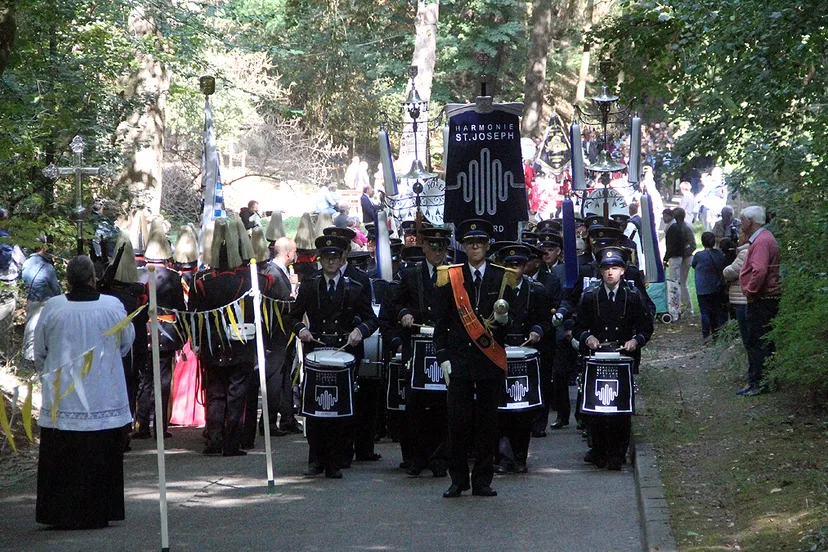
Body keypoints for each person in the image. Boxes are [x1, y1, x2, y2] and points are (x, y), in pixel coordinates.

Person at [35, 255, 135, 529]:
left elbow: (39, 351)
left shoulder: (53, 307)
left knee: (64, 459)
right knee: (99, 456)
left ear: (67, 280)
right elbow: (126, 344)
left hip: (64, 396)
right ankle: (99, 510)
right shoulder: (112, 306)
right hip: (102, 392)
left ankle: (59, 512)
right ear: (92, 278)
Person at [434, 219, 515, 498]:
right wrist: (442, 355)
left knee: (487, 423)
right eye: (470, 243)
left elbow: (510, 323)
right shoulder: (451, 276)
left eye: (480, 242)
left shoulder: (502, 276)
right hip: (459, 361)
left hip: (489, 361)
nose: (475, 246)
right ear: (464, 246)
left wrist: (504, 319)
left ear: (488, 245)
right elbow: (441, 322)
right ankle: (458, 480)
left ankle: (482, 480)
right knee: (458, 423)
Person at [287, 234, 378, 478]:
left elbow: (372, 319)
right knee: (315, 409)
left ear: (342, 259)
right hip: (316, 352)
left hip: (345, 352)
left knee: (341, 409)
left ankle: (335, 461)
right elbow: (292, 317)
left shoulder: (356, 287)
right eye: (326, 257)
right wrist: (302, 330)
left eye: (335, 257)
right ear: (320, 260)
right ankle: (315, 459)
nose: (331, 261)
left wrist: (360, 331)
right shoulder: (309, 286)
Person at [191, 218, 275, 455]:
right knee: (237, 395)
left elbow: (195, 316)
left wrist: (197, 343)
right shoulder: (254, 281)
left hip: (213, 345)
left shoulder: (202, 283)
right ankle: (231, 442)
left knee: (216, 394)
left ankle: (214, 439)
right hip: (243, 345)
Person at [575, 247, 654, 470]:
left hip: (622, 359)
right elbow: (578, 325)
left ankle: (617, 453)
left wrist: (635, 341)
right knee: (597, 408)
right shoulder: (591, 296)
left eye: (615, 268)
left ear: (623, 271)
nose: (610, 272)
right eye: (606, 268)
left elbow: (646, 327)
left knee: (619, 408)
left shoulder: (632, 296)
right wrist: (587, 337)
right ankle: (599, 450)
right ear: (600, 272)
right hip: (598, 358)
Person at [388, 227, 452, 477]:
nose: (436, 252)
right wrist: (404, 314)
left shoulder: (454, 273)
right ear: (424, 247)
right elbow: (394, 304)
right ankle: (417, 457)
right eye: (432, 247)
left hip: (442, 344)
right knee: (415, 405)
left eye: (441, 248)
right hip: (416, 346)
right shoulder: (410, 273)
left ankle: (440, 458)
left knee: (443, 405)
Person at [492, 244, 551, 474]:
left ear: (525, 266)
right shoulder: (495, 290)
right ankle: (502, 456)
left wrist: (537, 330)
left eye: (517, 265)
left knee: (522, 410)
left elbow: (545, 320)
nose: (513, 270)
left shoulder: (536, 291)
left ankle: (519, 456)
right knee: (500, 408)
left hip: (525, 355)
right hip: (501, 352)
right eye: (509, 265)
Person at [135, 225, 185, 439]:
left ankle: (142, 425)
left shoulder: (138, 275)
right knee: (163, 381)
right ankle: (161, 427)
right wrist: (183, 336)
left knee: (145, 380)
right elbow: (180, 308)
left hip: (142, 332)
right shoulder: (173, 277)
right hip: (166, 333)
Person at [737, 205, 781, 396]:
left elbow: (760, 270)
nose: (740, 223)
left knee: (758, 342)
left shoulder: (762, 241)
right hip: (764, 297)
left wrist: (749, 290)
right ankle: (758, 380)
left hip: (762, 299)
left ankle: (759, 383)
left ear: (751, 221)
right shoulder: (763, 238)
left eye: (742, 219)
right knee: (760, 341)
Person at [21, 236, 62, 369]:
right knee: (44, 331)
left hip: (31, 299)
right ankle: (39, 361)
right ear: (43, 248)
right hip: (44, 301)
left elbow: (25, 279)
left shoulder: (26, 262)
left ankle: (27, 360)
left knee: (30, 329)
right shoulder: (46, 266)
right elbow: (55, 287)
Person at [691, 232, 727, 340]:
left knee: (705, 312)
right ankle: (717, 333)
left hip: (703, 288)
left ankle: (706, 335)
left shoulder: (699, 255)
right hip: (717, 286)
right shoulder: (719, 253)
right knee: (716, 310)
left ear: (702, 242)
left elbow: (693, 265)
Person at [663, 207, 696, 317]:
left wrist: (683, 253)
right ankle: (687, 307)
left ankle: (678, 309)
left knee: (676, 283)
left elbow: (692, 245)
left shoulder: (681, 228)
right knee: (681, 283)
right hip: (683, 256)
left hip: (682, 257)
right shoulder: (681, 227)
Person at [722, 230, 750, 350]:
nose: (738, 238)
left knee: (746, 333)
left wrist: (726, 269)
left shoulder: (744, 253)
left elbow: (731, 271)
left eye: (741, 234)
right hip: (744, 296)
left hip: (742, 297)